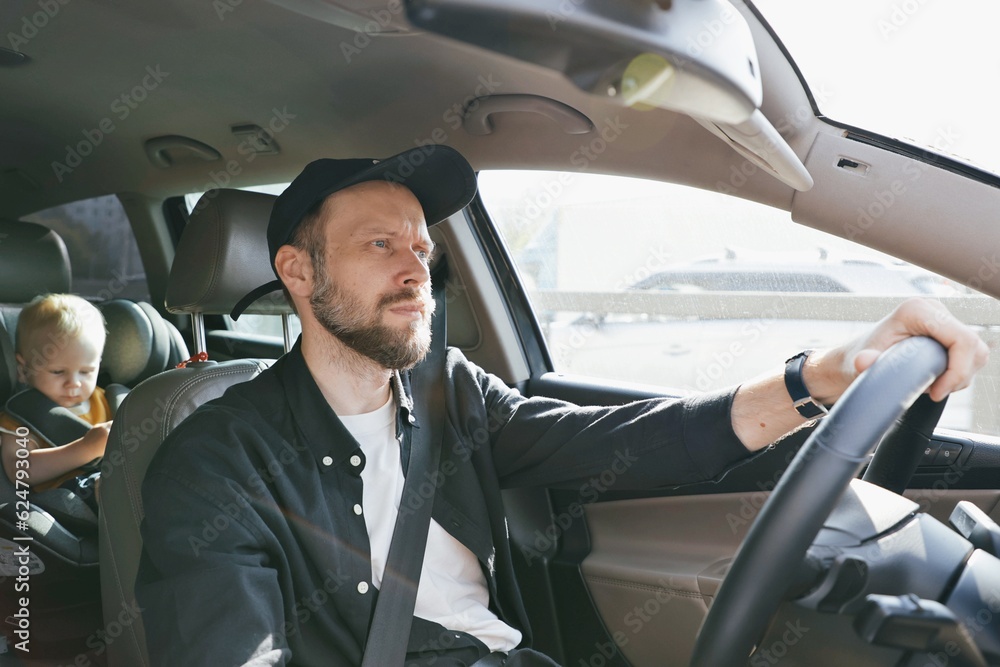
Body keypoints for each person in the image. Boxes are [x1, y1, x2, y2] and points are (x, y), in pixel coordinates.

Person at [135, 145, 989, 666]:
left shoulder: (449, 391)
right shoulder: (215, 463)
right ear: (296, 271)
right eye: (378, 243)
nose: (415, 271)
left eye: (422, 248)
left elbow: (632, 443)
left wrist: (821, 378)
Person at [0, 294, 111, 502]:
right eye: (58, 372)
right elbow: (20, 471)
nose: (74, 383)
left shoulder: (105, 400)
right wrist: (85, 448)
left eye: (86, 371)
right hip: (66, 497)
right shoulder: (21, 416)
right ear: (23, 369)